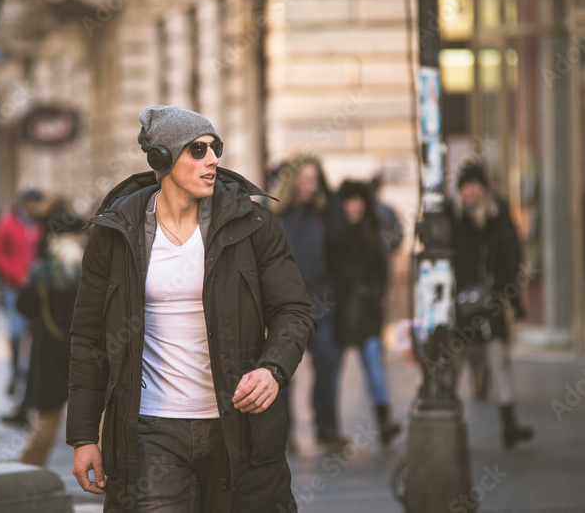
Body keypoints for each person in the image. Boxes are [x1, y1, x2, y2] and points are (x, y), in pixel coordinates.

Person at [67, 105, 317, 512]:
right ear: (161, 160)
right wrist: (83, 436)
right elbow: (89, 338)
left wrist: (274, 368)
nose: (213, 159)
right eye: (197, 149)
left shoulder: (251, 223)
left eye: (215, 147)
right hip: (150, 431)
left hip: (239, 426)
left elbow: (294, 310)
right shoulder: (115, 234)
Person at [451, 162, 533, 449]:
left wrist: (514, 300)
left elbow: (512, 257)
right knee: (455, 362)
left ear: (484, 188)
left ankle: (509, 424)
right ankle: (448, 423)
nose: (472, 191)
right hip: (459, 306)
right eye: (466, 185)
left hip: (490, 303)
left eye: (476, 185)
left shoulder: (498, 216)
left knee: (499, 358)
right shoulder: (451, 218)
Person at [271, 155, 348, 449]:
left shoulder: (325, 215)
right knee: (282, 369)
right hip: (284, 305)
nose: (309, 186)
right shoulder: (276, 216)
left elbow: (341, 251)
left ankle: (326, 428)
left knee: (328, 361)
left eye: (314, 180)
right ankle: (283, 432)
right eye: (304, 179)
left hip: (322, 304)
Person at [15, 203, 86, 466]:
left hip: (48, 349)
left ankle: (28, 472)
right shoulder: (90, 267)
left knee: (45, 420)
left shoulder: (41, 271)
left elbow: (22, 305)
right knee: (99, 418)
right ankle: (110, 475)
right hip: (86, 350)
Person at [334, 180, 402, 446]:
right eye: (348, 201)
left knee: (374, 364)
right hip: (340, 311)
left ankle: (384, 421)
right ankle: (330, 427)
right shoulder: (334, 233)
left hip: (367, 312)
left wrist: (374, 294)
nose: (352, 207)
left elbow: (382, 269)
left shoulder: (375, 231)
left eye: (357, 201)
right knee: (332, 371)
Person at [0, 189, 45, 406]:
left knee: (36, 334)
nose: (32, 206)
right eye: (29, 202)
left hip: (39, 287)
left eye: (35, 202)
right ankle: (16, 371)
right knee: (16, 333)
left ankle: (31, 375)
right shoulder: (8, 223)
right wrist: (14, 273)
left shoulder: (41, 225)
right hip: (16, 287)